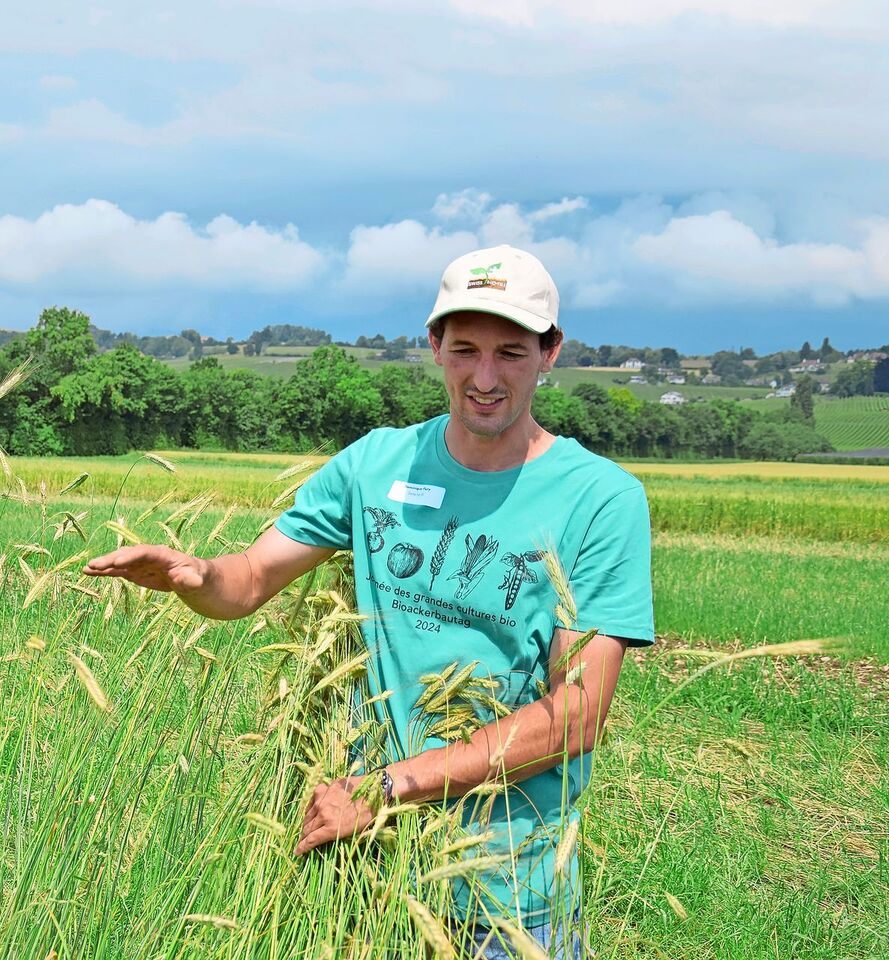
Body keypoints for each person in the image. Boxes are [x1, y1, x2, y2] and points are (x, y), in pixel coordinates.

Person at [83, 244, 654, 958]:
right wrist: (195, 576)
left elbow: (576, 715)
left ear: (550, 352)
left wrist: (387, 787)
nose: (484, 378)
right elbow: (251, 578)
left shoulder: (601, 500)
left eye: (511, 353)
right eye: (465, 349)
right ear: (435, 345)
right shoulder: (376, 463)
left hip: (506, 896)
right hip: (363, 879)